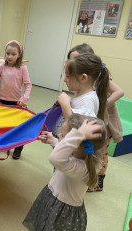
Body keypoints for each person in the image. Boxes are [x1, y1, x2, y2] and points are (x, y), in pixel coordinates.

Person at [23, 113, 107, 231]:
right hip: (53, 199)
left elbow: (56, 159)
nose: (58, 135)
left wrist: (77, 134)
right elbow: (69, 153)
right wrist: (54, 141)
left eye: (63, 136)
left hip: (61, 210)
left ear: (76, 143)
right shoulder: (83, 155)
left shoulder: (83, 168)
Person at [67, 43, 124, 191]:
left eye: (76, 60)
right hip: (93, 118)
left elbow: (120, 92)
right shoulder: (80, 81)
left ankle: (98, 180)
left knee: (101, 151)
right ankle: (89, 174)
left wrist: (105, 104)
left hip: (105, 121)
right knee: (91, 148)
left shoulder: (99, 77)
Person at [0, 40, 32, 159]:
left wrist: (24, 98)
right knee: (2, 125)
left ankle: (18, 148)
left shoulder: (23, 68)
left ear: (19, 55)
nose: (9, 56)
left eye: (13, 54)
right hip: (2, 101)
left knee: (18, 127)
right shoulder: (2, 66)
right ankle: (2, 144)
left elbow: (28, 85)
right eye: (8, 53)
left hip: (17, 102)